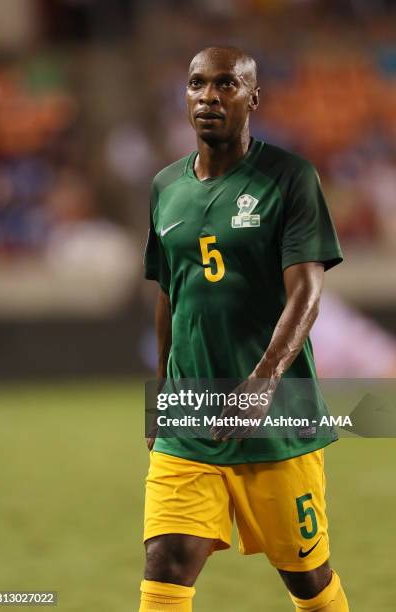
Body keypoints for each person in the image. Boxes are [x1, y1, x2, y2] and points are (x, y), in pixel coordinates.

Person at [141, 46, 349, 611]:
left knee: (307, 578)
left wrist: (262, 380)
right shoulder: (165, 188)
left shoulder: (289, 177)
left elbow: (306, 290)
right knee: (165, 565)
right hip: (189, 413)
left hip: (278, 413)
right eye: (196, 84)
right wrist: (159, 388)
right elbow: (169, 293)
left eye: (226, 84)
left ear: (252, 98)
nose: (208, 96)